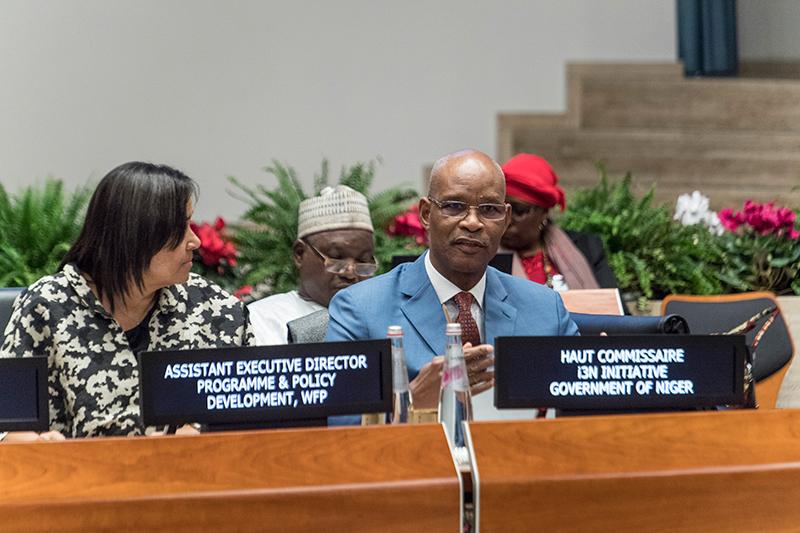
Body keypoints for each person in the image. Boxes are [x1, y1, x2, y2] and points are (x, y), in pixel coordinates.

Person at [0, 162, 253, 440]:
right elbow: (9, 427)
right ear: (135, 234)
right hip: (80, 477)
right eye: (181, 228)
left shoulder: (218, 311)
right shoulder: (46, 307)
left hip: (190, 477)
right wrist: (36, 444)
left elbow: (253, 418)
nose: (194, 241)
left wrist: (200, 435)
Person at [326, 150, 578, 410]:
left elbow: (581, 417)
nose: (472, 223)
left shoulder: (546, 310)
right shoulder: (360, 309)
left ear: (505, 219)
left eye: (489, 210)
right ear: (426, 213)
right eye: (454, 206)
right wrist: (414, 401)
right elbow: (342, 429)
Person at [248, 185, 377, 345]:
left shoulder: (380, 318)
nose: (350, 274)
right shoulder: (261, 320)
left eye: (363, 261)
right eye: (336, 258)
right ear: (300, 254)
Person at [501, 153, 618, 289]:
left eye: (518, 211)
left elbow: (614, 306)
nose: (506, 219)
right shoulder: (483, 257)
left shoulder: (587, 248)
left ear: (544, 212)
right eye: (499, 209)